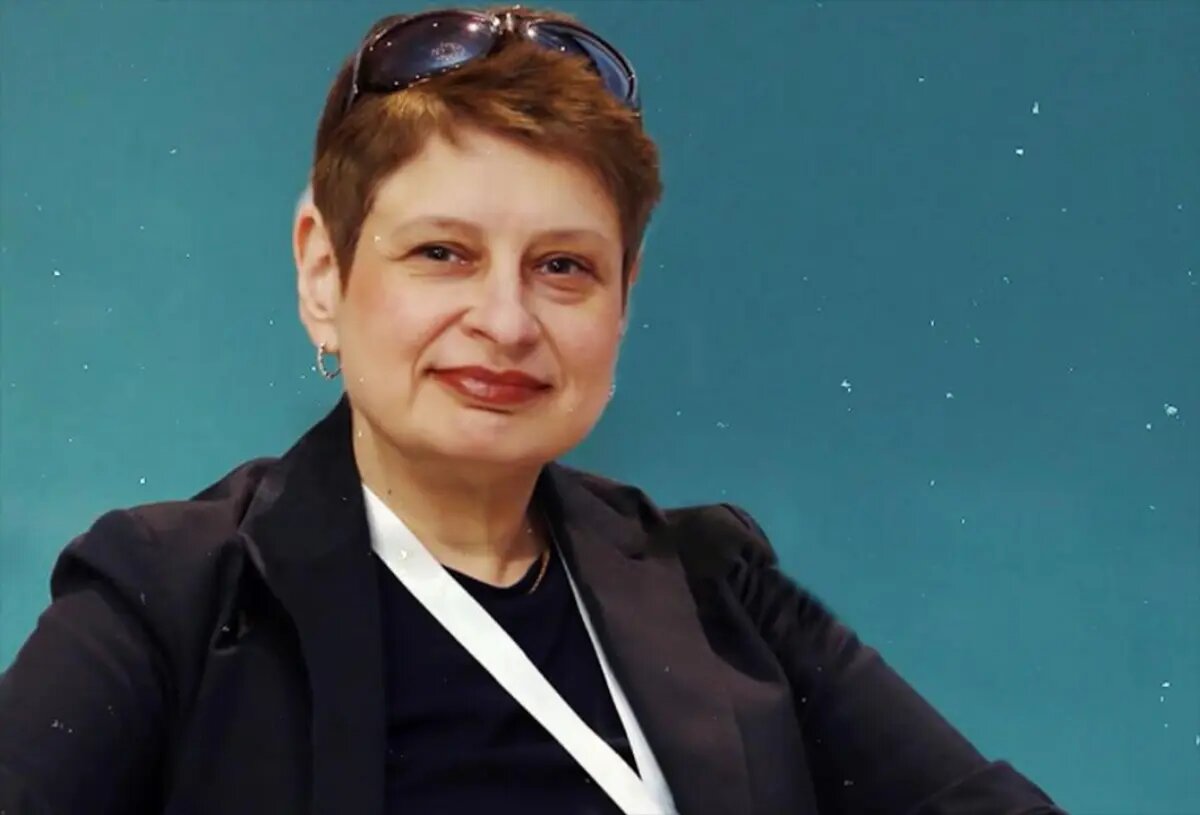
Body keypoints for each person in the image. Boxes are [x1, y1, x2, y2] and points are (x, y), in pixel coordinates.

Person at [0, 5, 1069, 814]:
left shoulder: (719, 585)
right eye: (442, 253)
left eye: (563, 266)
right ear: (324, 273)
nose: (506, 321)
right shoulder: (169, 597)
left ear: (623, 300)